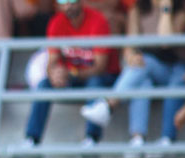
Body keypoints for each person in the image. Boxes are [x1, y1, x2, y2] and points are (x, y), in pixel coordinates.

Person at [80, 0, 185, 155]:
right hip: (145, 67)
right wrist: (131, 57)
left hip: (172, 70)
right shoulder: (138, 8)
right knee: (142, 80)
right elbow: (130, 44)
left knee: (145, 63)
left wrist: (166, 10)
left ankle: (108, 105)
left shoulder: (180, 11)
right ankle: (137, 140)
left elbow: (166, 42)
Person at [22, 0, 120, 147]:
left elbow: (100, 67)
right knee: (44, 84)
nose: (68, 5)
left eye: (72, 1)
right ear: (58, 5)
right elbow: (51, 62)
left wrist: (71, 73)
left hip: (104, 76)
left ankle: (92, 139)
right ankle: (32, 139)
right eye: (63, 2)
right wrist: (54, 74)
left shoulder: (98, 20)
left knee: (95, 83)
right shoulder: (56, 22)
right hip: (72, 75)